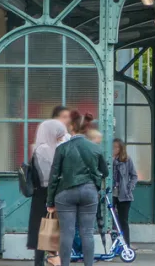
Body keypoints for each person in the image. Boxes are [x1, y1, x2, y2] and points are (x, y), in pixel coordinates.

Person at [47, 112, 108, 266]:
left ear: (72, 127)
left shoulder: (62, 148)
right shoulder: (96, 148)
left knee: (67, 233)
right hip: (89, 192)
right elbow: (105, 172)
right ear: (87, 129)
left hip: (65, 193)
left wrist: (50, 201)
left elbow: (54, 177)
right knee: (87, 232)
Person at [27, 120, 69, 266]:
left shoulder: (48, 147)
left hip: (46, 194)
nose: (61, 135)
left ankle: (48, 259)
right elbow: (48, 177)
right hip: (45, 194)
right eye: (58, 131)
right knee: (44, 229)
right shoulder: (44, 149)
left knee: (47, 229)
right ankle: (44, 261)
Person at [112, 139, 137, 247]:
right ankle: (114, 244)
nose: (114, 149)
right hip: (111, 193)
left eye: (116, 147)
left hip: (124, 194)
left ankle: (126, 245)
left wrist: (129, 187)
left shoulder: (127, 160)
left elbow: (134, 175)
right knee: (112, 221)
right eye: (113, 147)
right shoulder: (108, 159)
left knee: (123, 221)